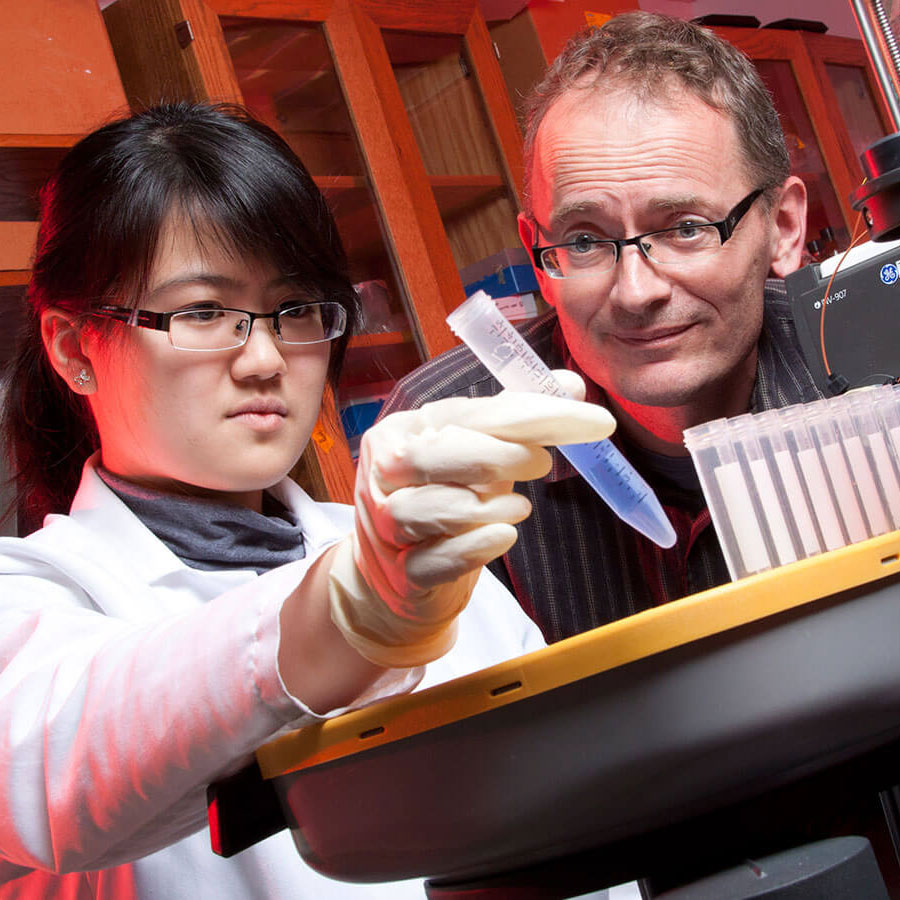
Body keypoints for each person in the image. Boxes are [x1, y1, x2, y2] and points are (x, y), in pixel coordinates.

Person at [0, 101, 614, 898]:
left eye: (294, 311)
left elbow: (578, 825)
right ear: (76, 347)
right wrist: (350, 606)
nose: (263, 359)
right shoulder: (34, 598)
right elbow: (57, 773)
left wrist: (376, 579)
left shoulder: (417, 556)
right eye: (203, 311)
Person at [381, 11, 823, 644]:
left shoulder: (872, 373)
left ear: (782, 228)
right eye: (585, 240)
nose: (637, 291)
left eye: (686, 228)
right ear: (538, 253)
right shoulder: (451, 428)